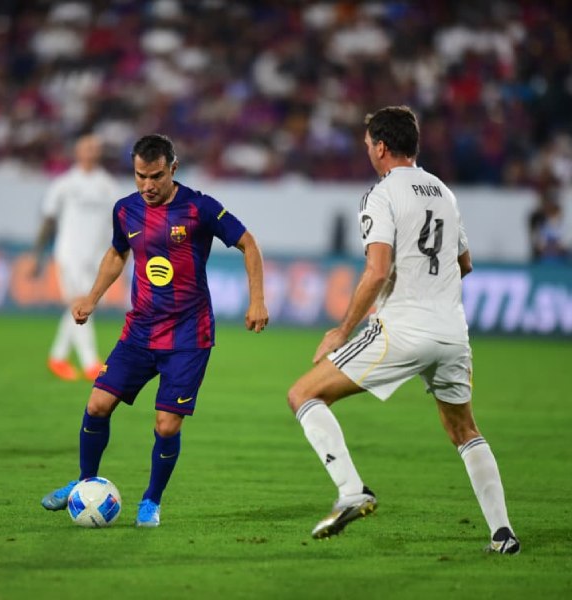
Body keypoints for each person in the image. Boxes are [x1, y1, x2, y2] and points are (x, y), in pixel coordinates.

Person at [286, 106, 520, 554]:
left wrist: (341, 330)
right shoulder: (444, 193)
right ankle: (502, 532)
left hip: (403, 328)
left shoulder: (382, 193)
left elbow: (376, 271)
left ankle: (352, 490)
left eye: (368, 145)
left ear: (380, 146)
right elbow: (464, 263)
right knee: (464, 429)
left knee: (303, 395)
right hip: (452, 332)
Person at [41, 134, 269, 526]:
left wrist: (257, 300)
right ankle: (82, 484)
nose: (147, 185)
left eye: (156, 176)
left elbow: (248, 243)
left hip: (188, 336)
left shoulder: (200, 207)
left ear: (173, 169)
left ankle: (152, 500)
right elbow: (117, 253)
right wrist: (92, 297)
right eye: (139, 176)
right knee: (97, 405)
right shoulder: (126, 210)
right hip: (140, 330)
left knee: (166, 423)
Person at [34, 134, 117, 381]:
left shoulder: (108, 185)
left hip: (97, 256)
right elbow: (48, 220)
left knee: (82, 306)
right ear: (77, 152)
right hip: (69, 253)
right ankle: (91, 364)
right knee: (81, 304)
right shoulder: (64, 184)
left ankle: (57, 357)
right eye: (86, 148)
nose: (91, 152)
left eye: (95, 148)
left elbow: (118, 221)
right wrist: (36, 254)